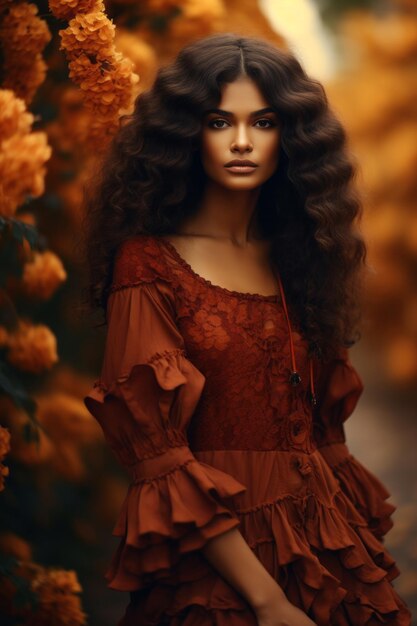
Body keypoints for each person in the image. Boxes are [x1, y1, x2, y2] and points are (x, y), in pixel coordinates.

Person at [81, 32, 411, 626]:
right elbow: (159, 458)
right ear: (186, 134)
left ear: (290, 137)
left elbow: (321, 434)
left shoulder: (303, 256)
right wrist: (266, 601)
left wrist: (350, 557)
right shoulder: (147, 263)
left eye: (262, 122)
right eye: (217, 121)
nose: (240, 142)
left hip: (323, 543)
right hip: (219, 564)